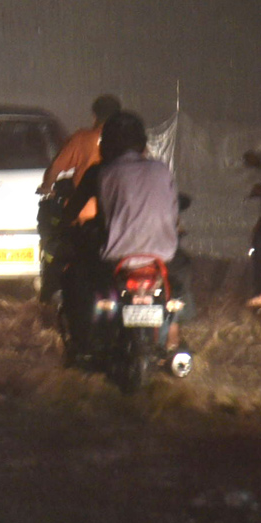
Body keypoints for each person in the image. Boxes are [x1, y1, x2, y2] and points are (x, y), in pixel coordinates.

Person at [60, 110, 188, 356]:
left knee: (76, 275)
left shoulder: (100, 172)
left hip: (116, 257)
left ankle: (82, 343)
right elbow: (174, 212)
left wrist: (64, 225)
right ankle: (174, 335)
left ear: (106, 145)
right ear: (141, 144)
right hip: (163, 257)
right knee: (181, 279)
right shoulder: (161, 170)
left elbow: (72, 211)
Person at [40, 94, 122, 222]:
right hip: (121, 215)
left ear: (94, 117)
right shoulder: (129, 142)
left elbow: (55, 168)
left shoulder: (82, 139)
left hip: (84, 215)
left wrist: (47, 187)